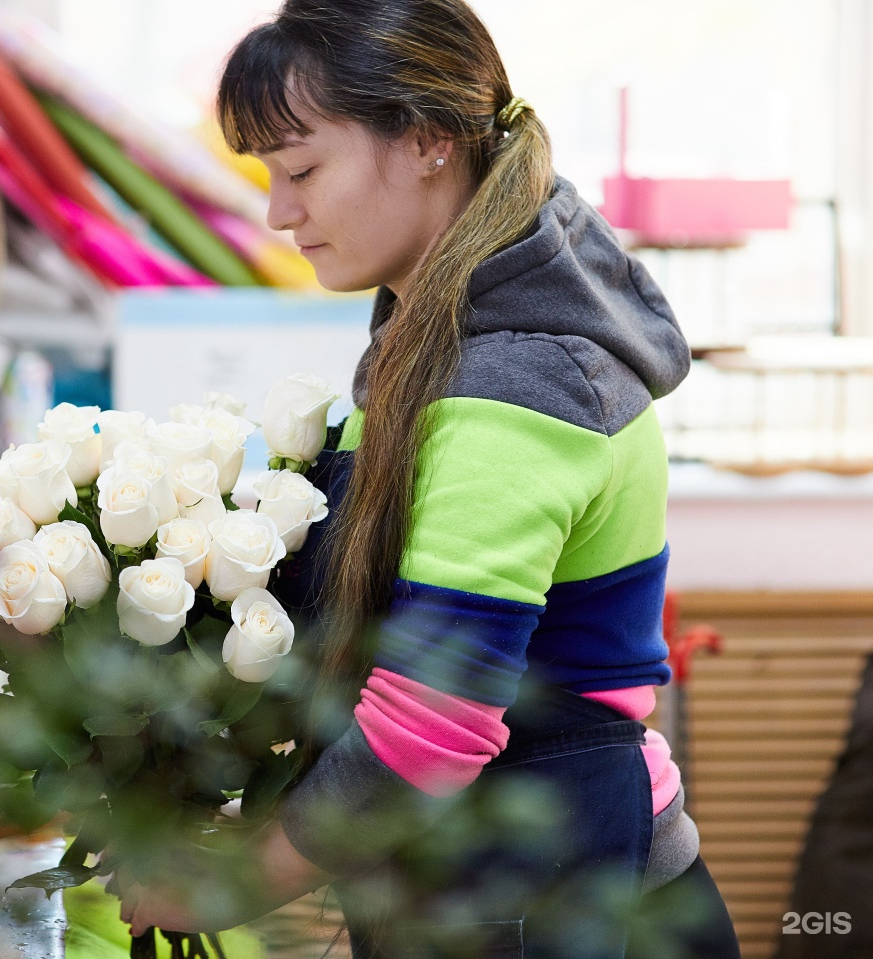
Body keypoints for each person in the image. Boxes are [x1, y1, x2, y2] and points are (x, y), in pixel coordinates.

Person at [117, 1, 742, 956]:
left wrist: (229, 883)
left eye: (302, 170)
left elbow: (430, 726)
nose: (280, 212)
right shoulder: (431, 344)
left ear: (429, 139)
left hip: (550, 893)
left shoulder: (513, 383)